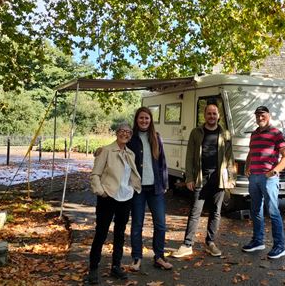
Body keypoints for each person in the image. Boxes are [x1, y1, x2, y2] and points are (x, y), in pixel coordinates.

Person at [172, 102, 236, 258]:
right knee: (195, 212)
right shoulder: (196, 132)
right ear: (204, 115)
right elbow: (189, 157)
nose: (212, 116)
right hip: (201, 178)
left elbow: (229, 158)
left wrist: (231, 178)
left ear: (218, 116)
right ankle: (187, 244)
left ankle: (210, 243)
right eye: (209, 113)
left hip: (219, 178)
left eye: (214, 113)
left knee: (216, 212)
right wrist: (189, 177)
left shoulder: (225, 134)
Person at [87, 123, 141, 285]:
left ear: (130, 136)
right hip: (108, 197)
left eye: (128, 132)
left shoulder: (130, 153)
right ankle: (93, 268)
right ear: (117, 133)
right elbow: (95, 174)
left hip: (125, 198)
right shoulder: (106, 151)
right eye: (122, 131)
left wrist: (133, 189)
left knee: (120, 233)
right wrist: (100, 191)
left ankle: (116, 266)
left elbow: (131, 174)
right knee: (101, 233)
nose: (125, 134)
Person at [126, 107, 173, 271]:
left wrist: (165, 183)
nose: (144, 121)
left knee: (160, 224)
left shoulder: (156, 137)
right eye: (141, 118)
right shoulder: (131, 138)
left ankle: (159, 257)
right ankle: (136, 258)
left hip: (155, 189)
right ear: (136, 120)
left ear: (151, 120)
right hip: (137, 189)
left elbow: (162, 163)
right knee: (137, 224)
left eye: (147, 118)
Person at [241, 106, 285, 259]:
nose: (260, 118)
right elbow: (251, 152)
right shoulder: (254, 134)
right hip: (254, 178)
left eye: (262, 115)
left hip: (268, 179)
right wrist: (247, 167)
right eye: (257, 115)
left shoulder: (276, 133)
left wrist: (274, 171)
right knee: (255, 211)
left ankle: (280, 246)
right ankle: (258, 241)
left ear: (268, 116)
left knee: (273, 212)